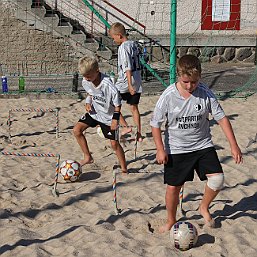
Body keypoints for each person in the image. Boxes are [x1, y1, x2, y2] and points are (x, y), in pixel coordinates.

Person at [150, 54, 243, 233]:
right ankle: (170, 220)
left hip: (202, 145)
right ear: (179, 76)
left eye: (194, 82)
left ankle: (203, 207)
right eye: (186, 82)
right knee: (173, 188)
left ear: (199, 76)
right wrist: (160, 149)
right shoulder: (168, 95)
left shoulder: (205, 93)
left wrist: (234, 145)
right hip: (177, 148)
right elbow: (155, 124)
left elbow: (222, 119)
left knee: (217, 179)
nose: (190, 86)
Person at [73, 56, 127, 173]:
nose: (86, 79)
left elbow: (118, 105)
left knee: (114, 145)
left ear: (97, 70)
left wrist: (115, 120)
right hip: (94, 113)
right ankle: (88, 157)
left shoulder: (109, 86)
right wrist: (88, 103)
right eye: (84, 76)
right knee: (77, 130)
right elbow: (90, 94)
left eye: (89, 76)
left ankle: (124, 169)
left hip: (108, 117)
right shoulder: (85, 81)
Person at [109, 22, 143, 142]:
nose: (114, 41)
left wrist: (129, 85)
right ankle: (139, 134)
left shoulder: (123, 48)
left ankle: (125, 127)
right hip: (137, 80)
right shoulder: (134, 44)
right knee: (134, 107)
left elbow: (127, 67)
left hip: (126, 82)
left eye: (113, 38)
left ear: (119, 35)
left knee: (111, 102)